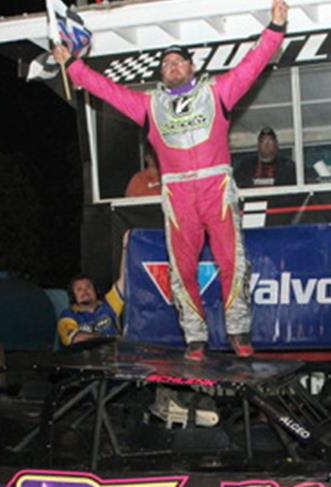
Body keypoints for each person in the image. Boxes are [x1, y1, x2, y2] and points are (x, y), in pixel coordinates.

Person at [52, 0, 289, 361]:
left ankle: (238, 330)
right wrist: (72, 64)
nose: (172, 67)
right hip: (178, 193)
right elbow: (105, 90)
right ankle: (195, 337)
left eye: (178, 61)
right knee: (181, 268)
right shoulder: (149, 105)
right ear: (161, 73)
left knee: (233, 262)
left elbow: (250, 66)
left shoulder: (217, 92)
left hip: (216, 188)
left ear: (192, 67)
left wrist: (274, 29)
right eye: (166, 64)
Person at [57, 231, 129, 346]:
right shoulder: (67, 316)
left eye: (88, 287)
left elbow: (124, 280)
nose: (85, 291)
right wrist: (111, 338)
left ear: (95, 290)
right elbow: (77, 339)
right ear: (73, 295)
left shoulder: (109, 305)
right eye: (79, 289)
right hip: (84, 361)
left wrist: (126, 248)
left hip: (111, 360)